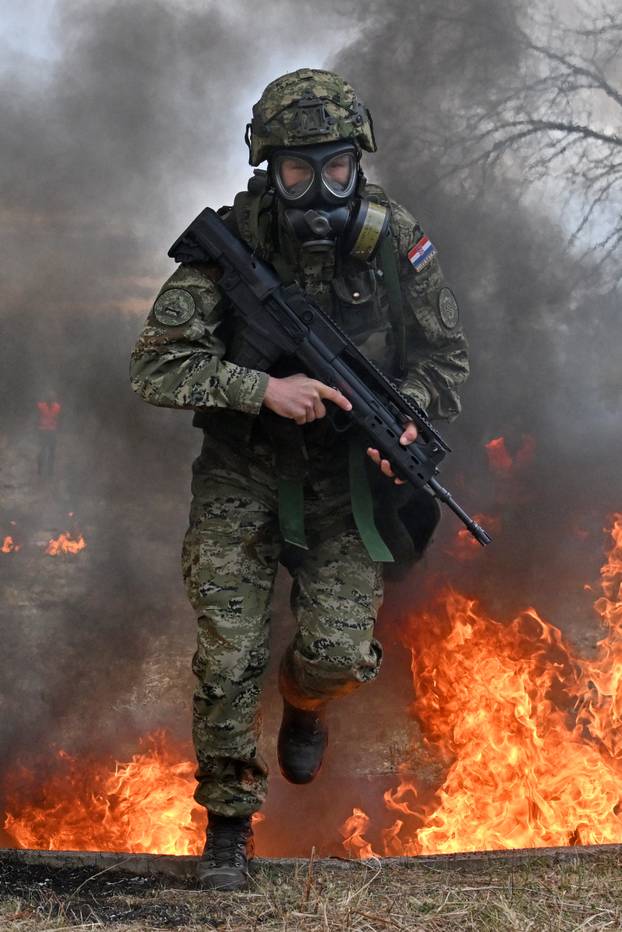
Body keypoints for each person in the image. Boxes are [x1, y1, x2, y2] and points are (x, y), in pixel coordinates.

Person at [130, 68, 469, 889]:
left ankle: (306, 703)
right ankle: (228, 828)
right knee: (228, 653)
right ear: (266, 170)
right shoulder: (233, 247)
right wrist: (261, 389)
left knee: (337, 654)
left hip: (343, 483)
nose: (318, 189)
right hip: (244, 470)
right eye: (295, 171)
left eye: (335, 169)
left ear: (359, 163)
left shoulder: (395, 242)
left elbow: (444, 362)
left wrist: (409, 418)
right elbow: (156, 366)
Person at [36, 391, 61, 479]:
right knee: (43, 451)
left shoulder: (57, 407)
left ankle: (50, 471)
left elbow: (59, 419)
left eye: (51, 398)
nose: (50, 400)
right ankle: (40, 470)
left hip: (51, 432)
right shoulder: (41, 406)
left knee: (51, 451)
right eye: (49, 398)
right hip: (44, 431)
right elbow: (37, 416)